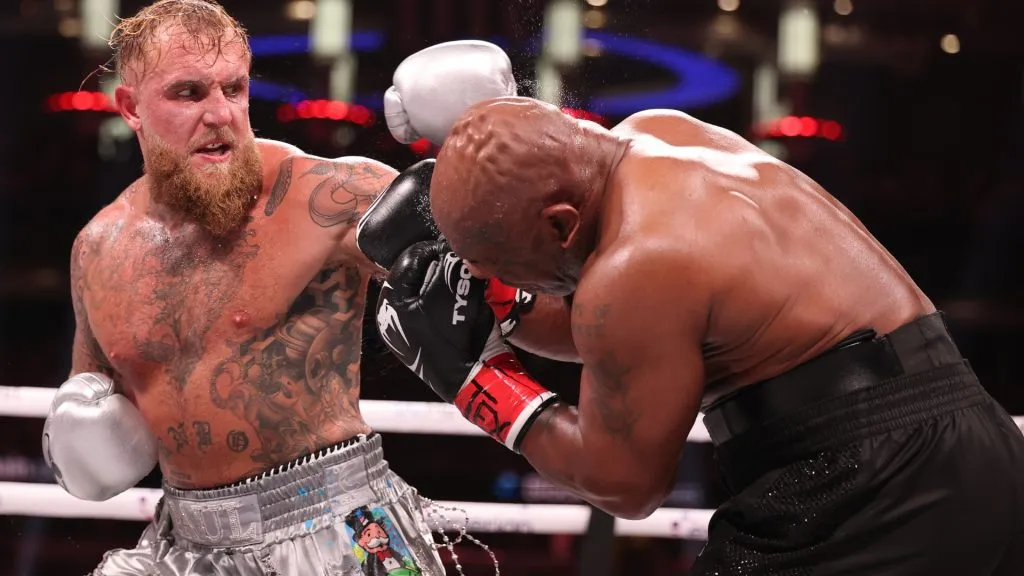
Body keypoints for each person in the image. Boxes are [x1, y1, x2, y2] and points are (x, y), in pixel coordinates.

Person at [373, 42, 1024, 574]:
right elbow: (626, 336)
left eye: (511, 267)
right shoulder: (661, 134)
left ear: (563, 222)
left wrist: (474, 383)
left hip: (877, 483)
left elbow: (625, 484)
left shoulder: (635, 268)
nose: (508, 282)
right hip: (968, 442)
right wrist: (505, 309)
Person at [40, 2, 514, 574]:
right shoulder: (97, 248)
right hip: (183, 540)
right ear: (131, 108)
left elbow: (511, 256)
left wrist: (487, 139)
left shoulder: (325, 196)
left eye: (233, 89)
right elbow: (89, 390)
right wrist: (82, 439)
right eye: (188, 93)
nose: (220, 114)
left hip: (334, 528)